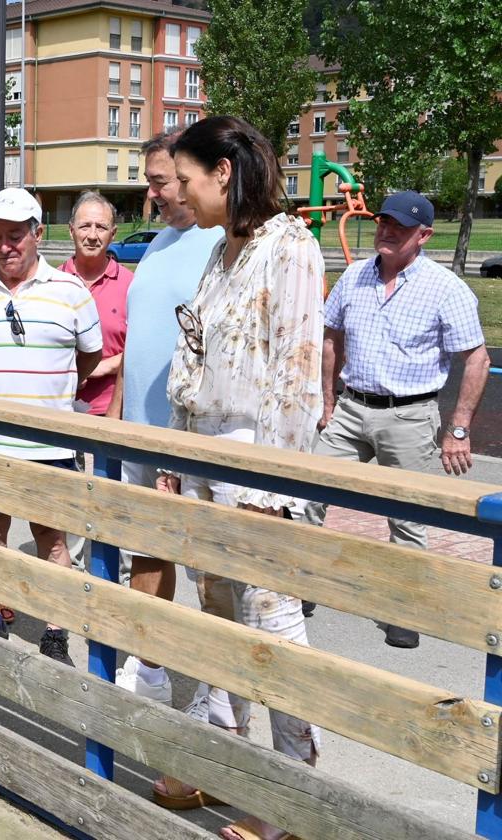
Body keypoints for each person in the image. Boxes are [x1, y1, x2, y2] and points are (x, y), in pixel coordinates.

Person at [159, 116, 324, 840]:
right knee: (221, 616)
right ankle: (218, 758)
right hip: (207, 462)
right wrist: (177, 455)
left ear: (223, 172)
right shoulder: (222, 251)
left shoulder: (290, 247)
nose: (181, 197)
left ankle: (293, 796)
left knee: (273, 629)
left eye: (187, 181)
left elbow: (296, 374)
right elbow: (197, 357)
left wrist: (272, 487)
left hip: (258, 470)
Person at [302, 190, 488, 649]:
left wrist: (458, 428)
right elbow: (331, 341)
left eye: (399, 227)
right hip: (350, 409)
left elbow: (478, 359)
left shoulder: (445, 289)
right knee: (304, 493)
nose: (386, 231)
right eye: (383, 222)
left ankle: (404, 612)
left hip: (408, 415)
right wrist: (328, 404)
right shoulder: (354, 277)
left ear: (423, 235)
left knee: (407, 519)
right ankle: (296, 586)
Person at [0, 187, 103, 663]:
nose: (5, 245)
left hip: (48, 445)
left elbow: (90, 356)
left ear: (39, 234)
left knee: (53, 540)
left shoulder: (72, 292)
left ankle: (54, 629)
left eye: (15, 235)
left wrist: (47, 397)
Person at [105, 132, 225, 708]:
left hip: (194, 437)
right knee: (144, 550)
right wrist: (120, 411)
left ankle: (214, 686)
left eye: (159, 181)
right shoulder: (157, 244)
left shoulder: (221, 240)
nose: (152, 193)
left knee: (209, 568)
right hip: (142, 431)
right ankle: (147, 663)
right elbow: (139, 340)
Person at [61, 192, 134, 418]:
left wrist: (97, 367)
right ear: (71, 230)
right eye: (85, 226)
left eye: (101, 227)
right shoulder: (51, 282)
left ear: (113, 234)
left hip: (111, 412)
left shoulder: (131, 285)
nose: (92, 235)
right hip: (58, 411)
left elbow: (140, 349)